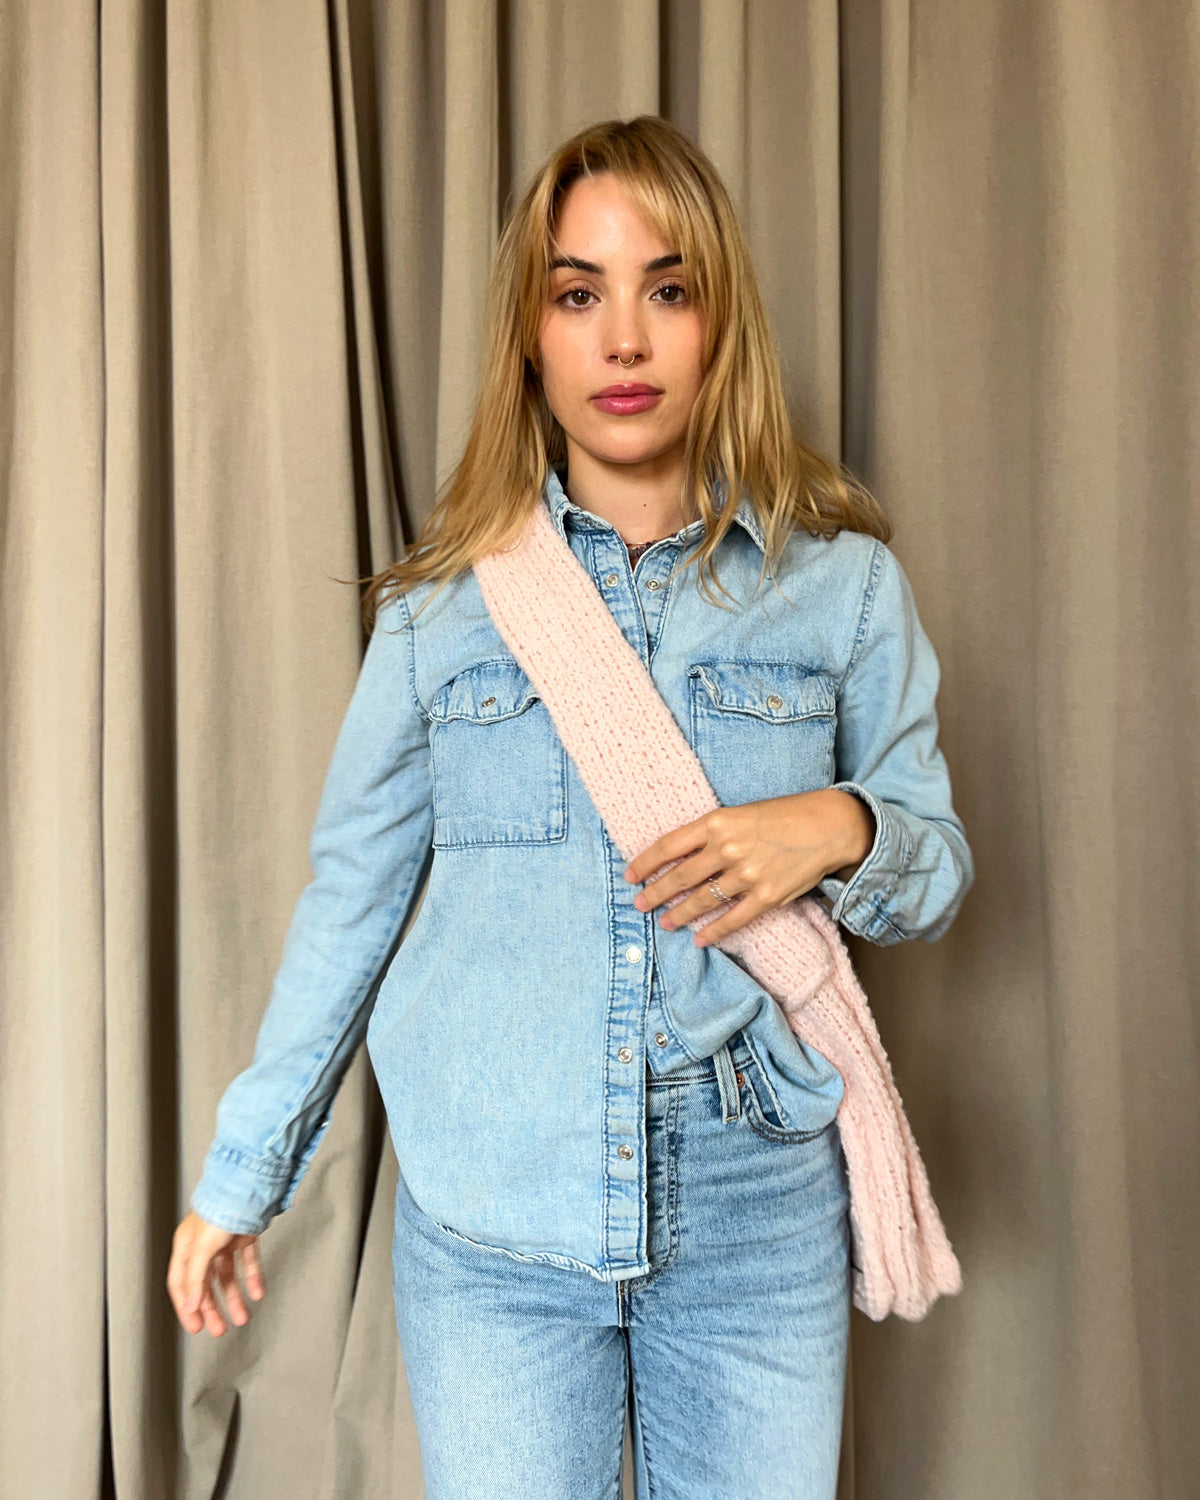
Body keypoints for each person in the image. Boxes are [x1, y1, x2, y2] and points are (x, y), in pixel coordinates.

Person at [167, 114, 974, 1499]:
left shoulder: (841, 589)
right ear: (531, 339)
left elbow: (935, 870)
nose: (626, 339)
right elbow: (351, 906)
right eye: (578, 294)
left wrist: (839, 827)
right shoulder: (437, 616)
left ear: (719, 323)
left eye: (669, 289)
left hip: (754, 1214)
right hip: (494, 1213)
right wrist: (243, 1178)